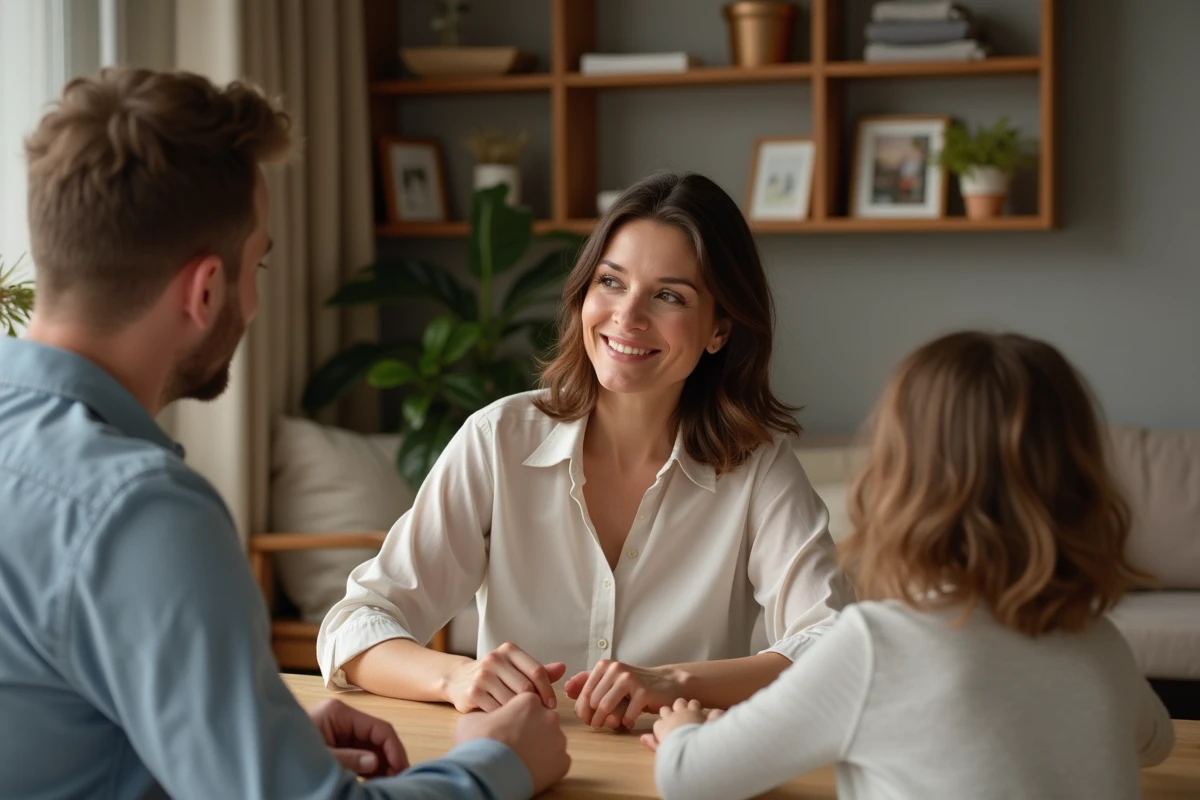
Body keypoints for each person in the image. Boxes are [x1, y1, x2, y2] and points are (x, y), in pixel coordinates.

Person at [0, 67, 568, 800]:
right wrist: (497, 764)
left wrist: (267, 733)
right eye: (257, 262)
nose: (257, 299)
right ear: (206, 289)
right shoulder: (139, 512)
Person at [318, 172, 856, 730]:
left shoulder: (756, 467)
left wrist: (674, 682)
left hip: (675, 776)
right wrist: (456, 677)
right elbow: (355, 624)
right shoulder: (498, 440)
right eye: (611, 282)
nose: (628, 316)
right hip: (514, 776)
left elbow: (838, 646)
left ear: (719, 328)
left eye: (669, 295)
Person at [644, 331, 1176, 800]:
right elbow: (1156, 742)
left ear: (900, 480)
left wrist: (682, 728)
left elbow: (692, 778)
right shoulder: (1097, 641)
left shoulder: (877, 647)